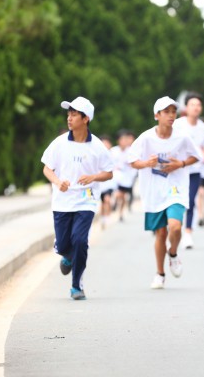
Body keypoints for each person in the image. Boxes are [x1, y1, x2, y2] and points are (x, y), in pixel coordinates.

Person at [41, 96, 114, 300]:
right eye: (69, 114)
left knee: (80, 241)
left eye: (74, 114)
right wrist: (57, 182)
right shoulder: (59, 143)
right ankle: (66, 255)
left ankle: (76, 286)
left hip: (86, 200)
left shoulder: (97, 146)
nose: (69, 118)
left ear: (86, 118)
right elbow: (47, 168)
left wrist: (93, 177)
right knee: (65, 245)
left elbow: (109, 173)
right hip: (62, 201)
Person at [128, 96, 198, 289]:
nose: (171, 115)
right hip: (154, 191)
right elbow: (132, 161)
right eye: (166, 112)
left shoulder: (182, 137)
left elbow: (196, 156)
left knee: (175, 227)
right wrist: (147, 163)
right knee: (160, 234)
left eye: (173, 112)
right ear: (156, 115)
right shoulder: (146, 138)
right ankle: (160, 273)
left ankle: (173, 253)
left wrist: (180, 163)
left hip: (175, 188)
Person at [173, 92, 204, 248]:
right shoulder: (178, 124)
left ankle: (188, 233)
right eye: (192, 105)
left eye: (198, 105)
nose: (195, 108)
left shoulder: (203, 128)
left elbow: (200, 147)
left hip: (194, 169)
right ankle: (174, 229)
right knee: (177, 201)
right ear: (186, 108)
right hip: (178, 169)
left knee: (191, 201)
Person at [110, 129, 137, 221]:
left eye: (126, 140)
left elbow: (133, 164)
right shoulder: (113, 151)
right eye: (123, 140)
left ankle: (121, 212)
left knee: (123, 196)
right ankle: (114, 202)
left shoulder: (131, 151)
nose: (125, 142)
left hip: (127, 177)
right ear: (118, 140)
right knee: (118, 194)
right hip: (115, 176)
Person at [99, 135, 116, 229]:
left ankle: (107, 217)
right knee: (102, 202)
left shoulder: (113, 153)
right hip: (100, 182)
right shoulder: (98, 154)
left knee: (107, 200)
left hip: (110, 182)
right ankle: (103, 217)